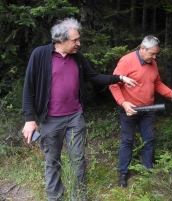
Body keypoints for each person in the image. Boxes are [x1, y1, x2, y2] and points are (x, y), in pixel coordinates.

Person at [21, 17, 138, 201]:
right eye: (75, 40)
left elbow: (95, 77)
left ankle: (80, 197)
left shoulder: (78, 58)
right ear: (60, 40)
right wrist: (29, 119)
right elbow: (29, 88)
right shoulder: (40, 55)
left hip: (75, 117)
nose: (79, 43)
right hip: (50, 119)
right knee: (52, 161)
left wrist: (120, 78)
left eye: (78, 39)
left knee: (78, 160)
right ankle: (55, 198)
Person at [109, 35, 172, 187]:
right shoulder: (126, 61)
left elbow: (157, 83)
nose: (154, 57)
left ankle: (147, 171)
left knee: (149, 140)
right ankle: (123, 173)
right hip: (129, 110)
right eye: (152, 54)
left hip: (148, 109)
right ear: (142, 49)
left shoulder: (152, 63)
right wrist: (123, 103)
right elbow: (113, 84)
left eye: (156, 54)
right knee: (127, 141)